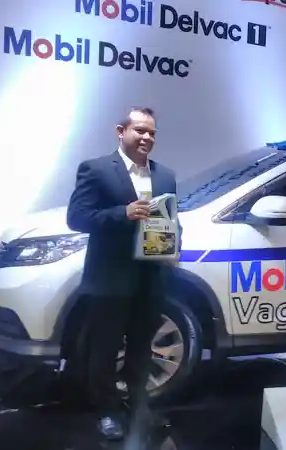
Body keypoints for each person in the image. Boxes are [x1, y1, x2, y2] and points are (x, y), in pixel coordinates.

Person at [66, 107, 177, 440]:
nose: (147, 137)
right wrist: (122, 213)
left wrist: (174, 245)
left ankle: (139, 406)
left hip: (151, 277)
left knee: (142, 347)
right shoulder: (96, 169)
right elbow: (77, 218)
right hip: (109, 278)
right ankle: (106, 411)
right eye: (140, 130)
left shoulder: (165, 175)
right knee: (104, 348)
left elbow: (171, 219)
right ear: (121, 131)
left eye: (152, 133)